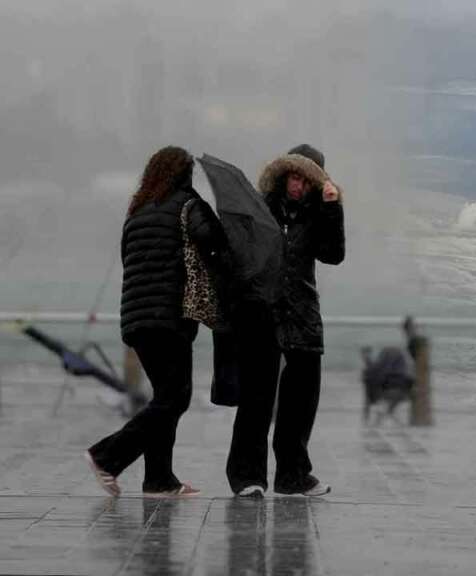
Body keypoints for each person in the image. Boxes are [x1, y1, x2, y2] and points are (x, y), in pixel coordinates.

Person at [85, 146, 229, 498]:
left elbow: (128, 259)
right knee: (175, 398)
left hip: (136, 319)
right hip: (169, 318)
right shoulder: (188, 205)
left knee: (164, 397)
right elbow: (215, 242)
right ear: (184, 175)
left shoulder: (136, 212)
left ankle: (159, 480)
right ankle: (106, 455)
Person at [226, 144, 345, 498]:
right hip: (263, 313)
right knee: (256, 400)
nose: (297, 185)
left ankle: (293, 476)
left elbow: (333, 255)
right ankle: (247, 476)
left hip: (303, 314)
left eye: (305, 179)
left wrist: (332, 208)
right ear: (283, 175)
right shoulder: (261, 209)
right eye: (293, 176)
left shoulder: (318, 212)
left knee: (300, 402)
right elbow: (243, 254)